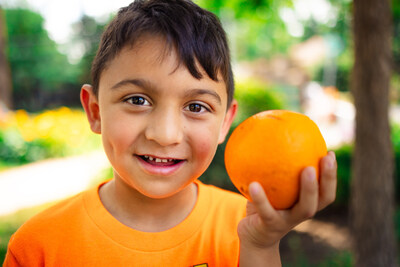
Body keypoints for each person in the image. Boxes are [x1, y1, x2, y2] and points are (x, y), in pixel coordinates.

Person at [3, 0, 337, 266]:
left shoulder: (249, 228)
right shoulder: (38, 246)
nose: (165, 135)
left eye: (196, 107)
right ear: (95, 111)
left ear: (224, 123)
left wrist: (262, 247)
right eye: (137, 100)